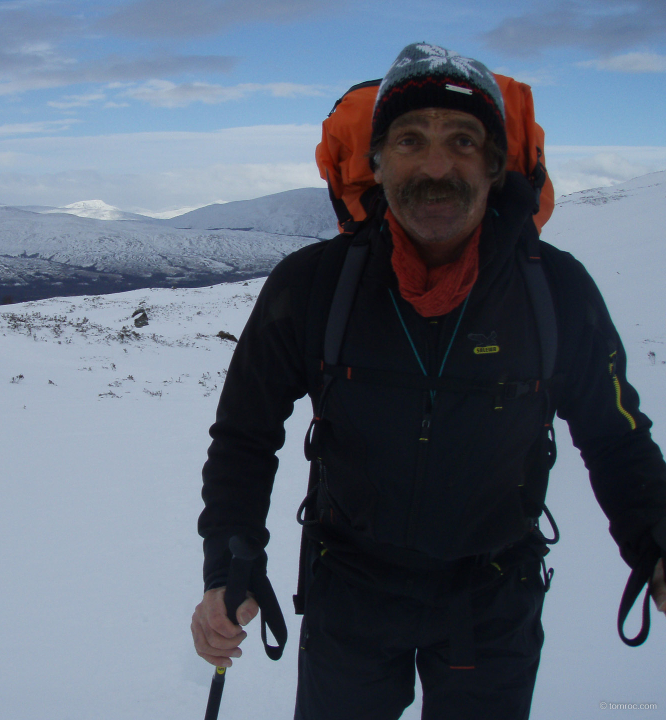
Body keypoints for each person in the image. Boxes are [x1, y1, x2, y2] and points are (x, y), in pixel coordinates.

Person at [190, 42, 666, 720]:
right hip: (348, 599)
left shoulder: (554, 291)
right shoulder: (315, 286)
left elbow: (616, 438)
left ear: (496, 165)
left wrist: (655, 539)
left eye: (463, 141)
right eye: (410, 140)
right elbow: (244, 435)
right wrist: (229, 565)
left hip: (492, 603)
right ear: (378, 164)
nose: (436, 166)